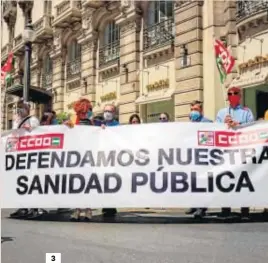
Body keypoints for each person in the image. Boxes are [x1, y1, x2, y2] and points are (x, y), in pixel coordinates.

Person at [216, 86, 254, 218]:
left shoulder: (246, 111)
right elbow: (215, 129)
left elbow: (252, 126)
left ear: (240, 95)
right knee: (226, 178)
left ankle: (245, 210)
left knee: (244, 178)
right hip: (227, 150)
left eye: (235, 93)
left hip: (242, 149)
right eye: (230, 93)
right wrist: (224, 124)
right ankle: (225, 209)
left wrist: (239, 124)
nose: (232, 95)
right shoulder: (222, 112)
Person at [10, 100, 47, 219]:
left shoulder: (33, 119)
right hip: (20, 154)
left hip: (31, 154)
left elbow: (39, 133)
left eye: (23, 108)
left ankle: (36, 207)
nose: (20, 111)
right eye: (19, 109)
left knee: (33, 180)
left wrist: (30, 129)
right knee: (21, 181)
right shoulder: (17, 121)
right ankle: (23, 207)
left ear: (28, 109)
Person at [67, 98, 94, 221]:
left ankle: (88, 210)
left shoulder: (91, 121)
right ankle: (77, 210)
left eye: (86, 110)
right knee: (77, 184)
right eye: (82, 110)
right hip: (76, 157)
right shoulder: (73, 120)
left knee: (88, 184)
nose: (84, 112)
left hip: (88, 157)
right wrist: (64, 127)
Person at [186, 100, 213, 218]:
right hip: (192, 157)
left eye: (196, 110)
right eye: (192, 110)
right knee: (193, 182)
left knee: (202, 183)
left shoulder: (207, 123)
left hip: (203, 157)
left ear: (201, 111)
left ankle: (202, 208)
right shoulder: (189, 124)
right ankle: (194, 205)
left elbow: (207, 141)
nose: (193, 112)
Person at [101, 104, 120, 217]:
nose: (107, 113)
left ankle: (111, 205)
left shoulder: (117, 125)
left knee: (112, 181)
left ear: (114, 113)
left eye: (110, 111)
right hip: (101, 157)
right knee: (103, 181)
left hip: (113, 157)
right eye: (106, 111)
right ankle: (105, 204)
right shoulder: (98, 124)